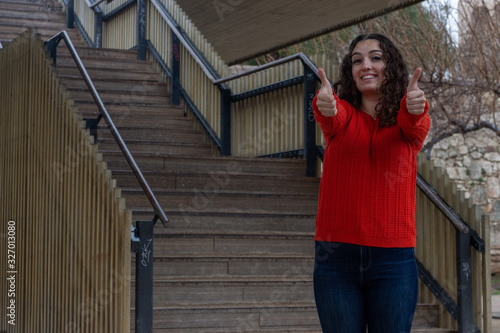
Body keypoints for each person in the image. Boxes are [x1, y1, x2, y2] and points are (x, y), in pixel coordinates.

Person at [312, 33, 431, 333]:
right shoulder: (342, 118)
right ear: (350, 71)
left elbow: (413, 119)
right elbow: (331, 114)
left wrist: (416, 106)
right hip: (335, 260)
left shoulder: (407, 125)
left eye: (375, 57)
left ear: (390, 66)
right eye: (357, 60)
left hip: (393, 262)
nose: (365, 65)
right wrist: (324, 102)